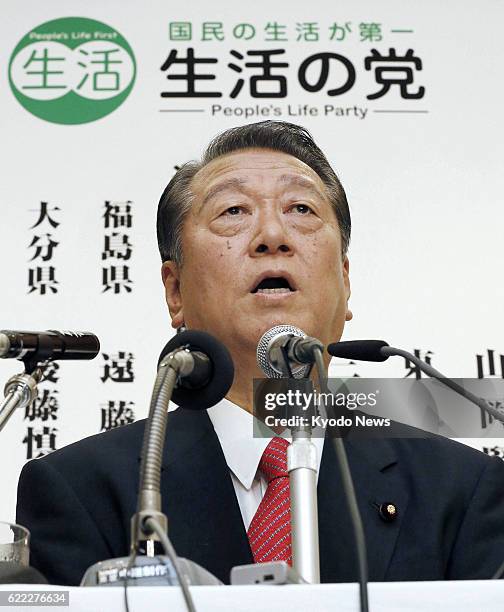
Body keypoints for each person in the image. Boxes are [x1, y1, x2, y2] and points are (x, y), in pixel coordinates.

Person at [17, 121, 504, 586]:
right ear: (175, 291)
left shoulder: (461, 489)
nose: (273, 235)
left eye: (301, 210)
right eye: (233, 211)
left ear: (346, 281)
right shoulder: (83, 490)